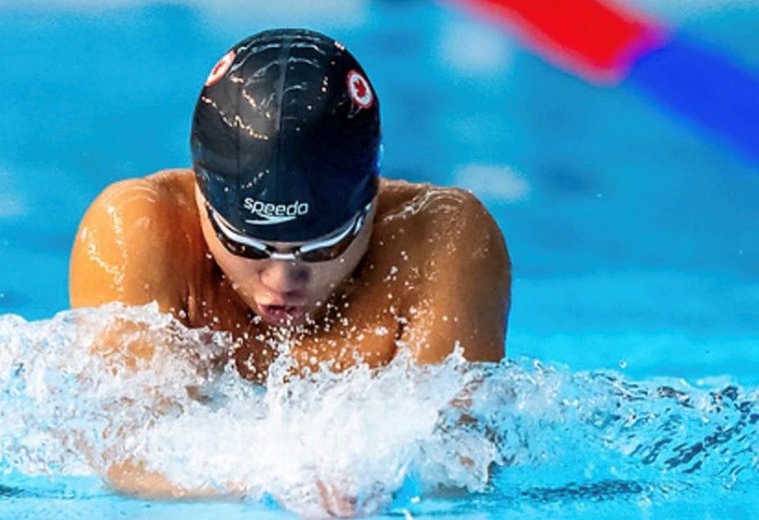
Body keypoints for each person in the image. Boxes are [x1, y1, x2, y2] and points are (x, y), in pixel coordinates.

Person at [69, 28, 510, 384]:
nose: (281, 281)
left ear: (371, 202)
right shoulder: (136, 229)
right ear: (203, 197)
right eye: (246, 244)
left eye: (322, 247)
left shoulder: (442, 241)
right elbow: (131, 455)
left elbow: (454, 462)